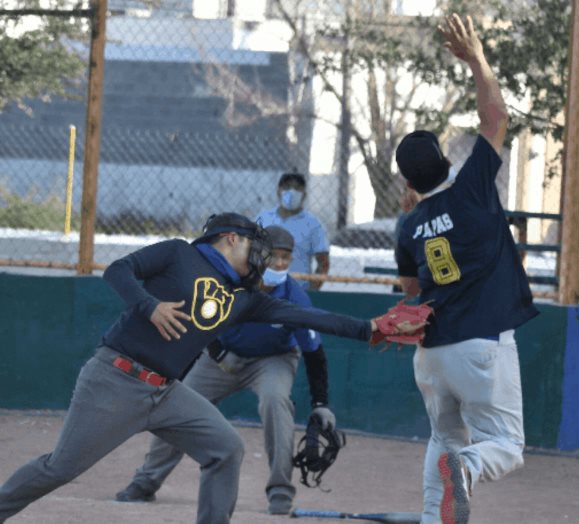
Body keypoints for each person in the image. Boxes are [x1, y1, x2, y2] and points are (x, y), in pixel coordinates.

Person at [0, 212, 404, 524]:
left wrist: (368, 328)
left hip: (165, 393)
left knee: (225, 449)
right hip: (117, 378)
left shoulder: (245, 298)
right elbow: (117, 269)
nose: (262, 256)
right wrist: (150, 305)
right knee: (60, 468)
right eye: (254, 245)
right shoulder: (179, 253)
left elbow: (309, 317)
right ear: (231, 238)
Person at [394, 15, 539, 524]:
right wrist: (476, 57)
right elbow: (495, 118)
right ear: (443, 159)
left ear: (408, 183)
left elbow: (412, 293)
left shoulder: (408, 226)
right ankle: (470, 468)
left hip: (432, 355)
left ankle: (438, 518)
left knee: (442, 437)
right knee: (506, 445)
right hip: (482, 345)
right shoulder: (472, 187)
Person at [114, 226, 335, 516]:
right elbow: (201, 321)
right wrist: (219, 353)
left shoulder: (294, 297)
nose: (279, 264)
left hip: (274, 359)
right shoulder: (231, 282)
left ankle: (280, 492)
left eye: (286, 258)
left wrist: (321, 403)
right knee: (177, 403)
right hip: (222, 357)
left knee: (275, 401)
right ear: (257, 255)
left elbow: (313, 351)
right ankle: (146, 482)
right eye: (273, 256)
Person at [256, 171, 330, 290]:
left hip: (297, 291)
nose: (291, 191)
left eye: (297, 188)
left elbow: (323, 263)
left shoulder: (313, 224)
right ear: (278, 191)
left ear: (304, 194)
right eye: (287, 187)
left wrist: (310, 293)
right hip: (264, 290)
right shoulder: (263, 218)